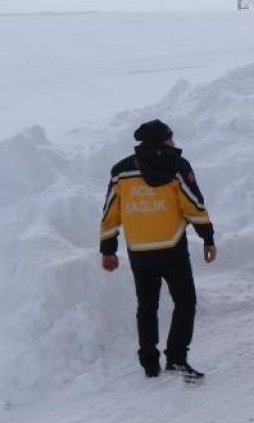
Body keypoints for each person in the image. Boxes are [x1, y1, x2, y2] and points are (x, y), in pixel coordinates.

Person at [99, 119, 217, 381]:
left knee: (147, 306)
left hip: (138, 250)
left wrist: (108, 249)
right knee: (185, 302)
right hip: (172, 247)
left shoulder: (121, 172)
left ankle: (149, 363)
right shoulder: (177, 166)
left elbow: (110, 213)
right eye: (170, 139)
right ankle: (176, 358)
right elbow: (193, 206)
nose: (174, 143)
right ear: (163, 140)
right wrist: (207, 238)